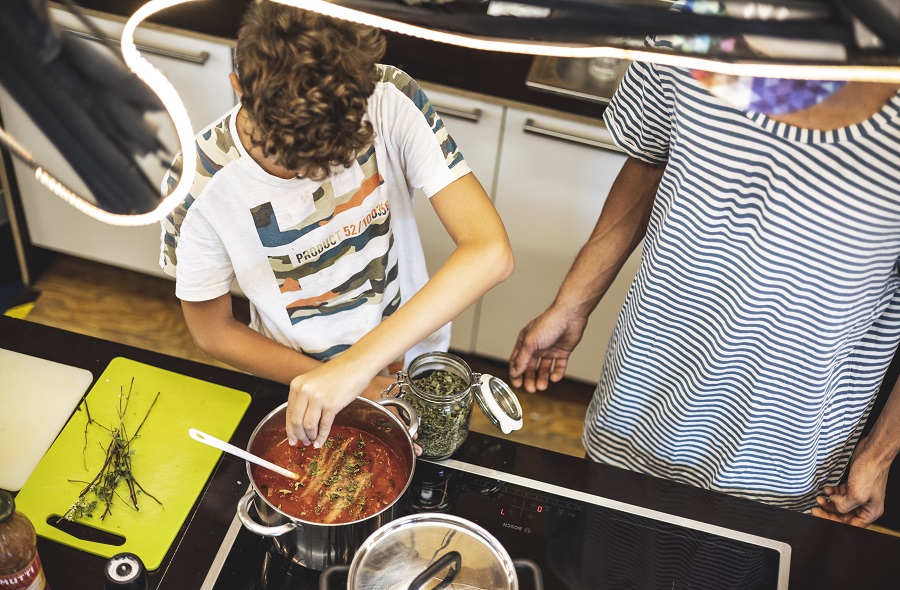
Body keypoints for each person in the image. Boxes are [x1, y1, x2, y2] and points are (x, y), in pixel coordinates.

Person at [509, 39, 900, 526]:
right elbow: (649, 160)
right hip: (638, 403)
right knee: (604, 566)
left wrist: (882, 451)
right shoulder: (691, 28)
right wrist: (572, 303)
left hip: (782, 455)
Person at [159, 0, 513, 450]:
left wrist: (358, 368)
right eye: (291, 164)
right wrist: (339, 380)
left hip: (410, 365)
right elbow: (212, 330)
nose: (317, 180)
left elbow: (490, 251)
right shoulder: (198, 186)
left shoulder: (388, 98)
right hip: (295, 377)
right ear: (238, 88)